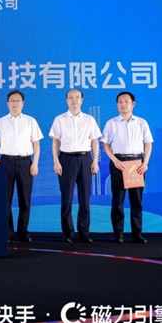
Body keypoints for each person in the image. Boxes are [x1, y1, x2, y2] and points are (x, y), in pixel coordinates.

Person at [0, 90, 43, 242]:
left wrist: (35, 163)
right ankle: (8, 232)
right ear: (8, 103)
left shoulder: (30, 121)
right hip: (5, 162)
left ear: (23, 103)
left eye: (18, 101)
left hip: (25, 162)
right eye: (12, 101)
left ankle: (23, 231)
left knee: (25, 199)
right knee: (4, 199)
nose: (15, 103)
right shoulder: (0, 122)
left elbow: (36, 144)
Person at [49, 89, 101, 243]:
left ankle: (84, 233)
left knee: (85, 198)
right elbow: (55, 142)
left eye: (77, 97)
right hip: (66, 159)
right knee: (67, 198)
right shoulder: (60, 119)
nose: (74, 100)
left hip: (85, 159)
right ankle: (68, 233)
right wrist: (56, 161)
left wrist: (95, 161)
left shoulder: (89, 119)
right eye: (71, 97)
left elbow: (94, 141)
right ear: (66, 100)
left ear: (82, 100)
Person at [100, 91, 153, 244]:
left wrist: (145, 163)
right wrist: (115, 160)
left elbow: (148, 143)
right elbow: (105, 144)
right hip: (119, 163)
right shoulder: (112, 123)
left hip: (137, 163)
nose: (123, 104)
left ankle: (137, 234)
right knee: (118, 200)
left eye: (126, 101)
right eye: (120, 102)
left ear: (133, 104)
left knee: (136, 200)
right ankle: (118, 234)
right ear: (117, 105)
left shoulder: (142, 122)